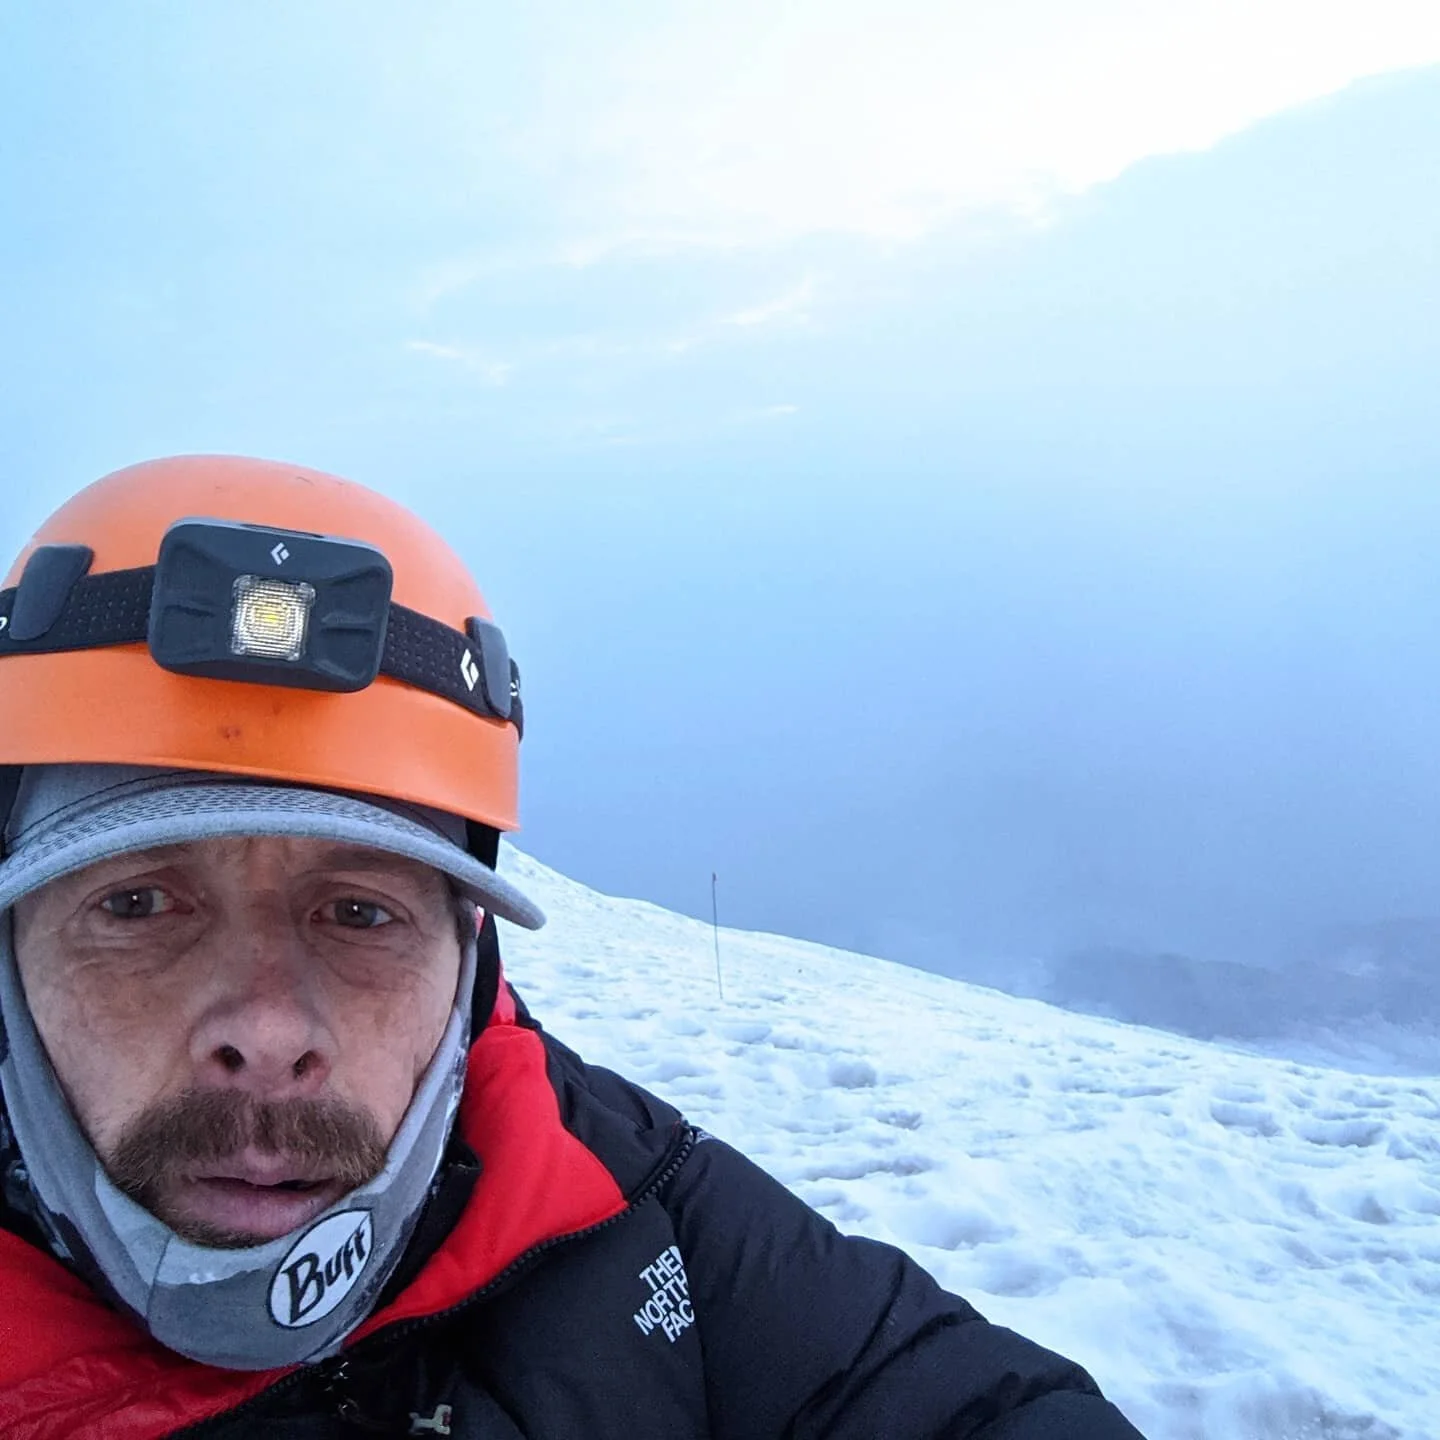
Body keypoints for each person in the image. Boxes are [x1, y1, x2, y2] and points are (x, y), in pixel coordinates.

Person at [0, 455, 1145, 1438]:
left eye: (359, 913)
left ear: (467, 953)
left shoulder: (615, 1198)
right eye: (137, 904)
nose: (265, 1030)